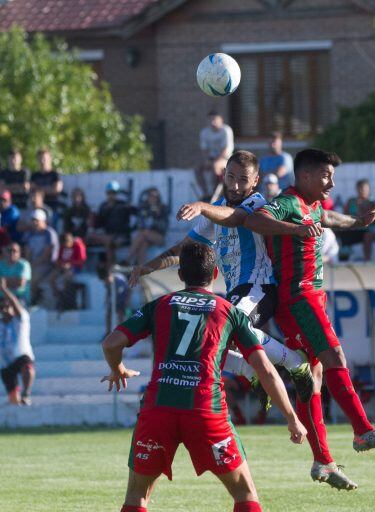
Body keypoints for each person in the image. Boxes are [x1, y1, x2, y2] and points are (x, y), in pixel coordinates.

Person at [100, 242, 306, 512]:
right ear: (216, 274)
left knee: (137, 496)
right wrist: (292, 418)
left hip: (159, 409)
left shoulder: (159, 305)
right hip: (205, 411)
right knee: (245, 494)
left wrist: (117, 369)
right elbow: (265, 369)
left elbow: (111, 343)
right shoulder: (229, 312)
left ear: (181, 275)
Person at [241, 148, 375, 488]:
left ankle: (323, 462)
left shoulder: (312, 205)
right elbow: (254, 220)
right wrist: (293, 230)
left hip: (310, 296)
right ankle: (362, 431)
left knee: (312, 375)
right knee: (335, 357)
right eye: (326, 176)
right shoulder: (288, 202)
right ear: (306, 176)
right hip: (298, 297)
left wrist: (358, 222)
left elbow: (329, 219)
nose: (331, 183)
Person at [133, 151, 314, 420]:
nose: (236, 185)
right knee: (205, 340)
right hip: (236, 293)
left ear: (255, 181)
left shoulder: (256, 203)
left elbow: (234, 218)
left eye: (243, 179)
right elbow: (185, 248)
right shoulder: (216, 211)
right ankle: (250, 371)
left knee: (228, 330)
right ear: (224, 176)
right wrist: (149, 265)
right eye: (231, 177)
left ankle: (295, 363)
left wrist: (202, 205)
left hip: (259, 287)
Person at [0, 278, 35, 405]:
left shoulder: (21, 320)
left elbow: (15, 304)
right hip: (5, 363)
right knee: (13, 399)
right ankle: (16, 402)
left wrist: (4, 290)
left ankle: (26, 394)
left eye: (7, 306)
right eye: (1, 307)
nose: (4, 309)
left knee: (27, 366)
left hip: (20, 357)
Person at [89, 181, 132, 266]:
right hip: (107, 235)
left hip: (120, 236)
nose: (111, 195)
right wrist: (92, 219)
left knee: (109, 242)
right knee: (91, 237)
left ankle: (111, 268)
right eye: (109, 193)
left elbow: (124, 224)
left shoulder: (122, 206)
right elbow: (99, 225)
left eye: (114, 193)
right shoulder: (103, 206)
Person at [125, 187, 168, 266]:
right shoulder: (144, 208)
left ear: (158, 198)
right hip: (146, 237)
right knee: (143, 244)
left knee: (144, 233)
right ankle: (140, 270)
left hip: (159, 237)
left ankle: (127, 260)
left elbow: (163, 227)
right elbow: (140, 224)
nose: (153, 198)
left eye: (155, 196)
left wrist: (156, 216)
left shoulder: (162, 208)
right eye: (150, 196)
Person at [196, 110, 234, 197]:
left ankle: (215, 192)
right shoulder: (204, 132)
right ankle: (205, 193)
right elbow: (204, 150)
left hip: (226, 159)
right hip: (211, 158)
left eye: (215, 120)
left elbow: (225, 150)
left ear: (221, 120)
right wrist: (207, 160)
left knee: (215, 166)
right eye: (210, 120)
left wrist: (214, 161)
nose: (212, 122)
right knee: (198, 169)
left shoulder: (226, 130)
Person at [24, 208, 58, 304]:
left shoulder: (49, 233)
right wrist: (28, 265)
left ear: (44, 221)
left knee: (31, 278)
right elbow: (28, 252)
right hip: (34, 264)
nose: (34, 223)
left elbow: (47, 255)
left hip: (47, 265)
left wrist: (33, 265)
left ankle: (31, 301)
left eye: (37, 221)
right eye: (33, 220)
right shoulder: (30, 234)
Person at [337, 179, 374, 260]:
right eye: (359, 188)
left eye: (363, 188)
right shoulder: (351, 201)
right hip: (352, 228)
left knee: (368, 235)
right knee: (339, 231)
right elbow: (344, 215)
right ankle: (343, 257)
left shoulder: (372, 202)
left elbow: (366, 218)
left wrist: (360, 207)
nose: (361, 191)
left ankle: (367, 260)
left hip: (365, 230)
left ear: (368, 189)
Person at [49, 231, 86, 310]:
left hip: (76, 267)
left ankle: (65, 298)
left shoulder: (78, 245)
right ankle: (58, 295)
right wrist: (61, 264)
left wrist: (70, 264)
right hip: (63, 267)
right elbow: (58, 259)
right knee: (52, 277)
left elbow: (81, 260)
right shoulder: (62, 247)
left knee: (66, 277)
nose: (66, 246)